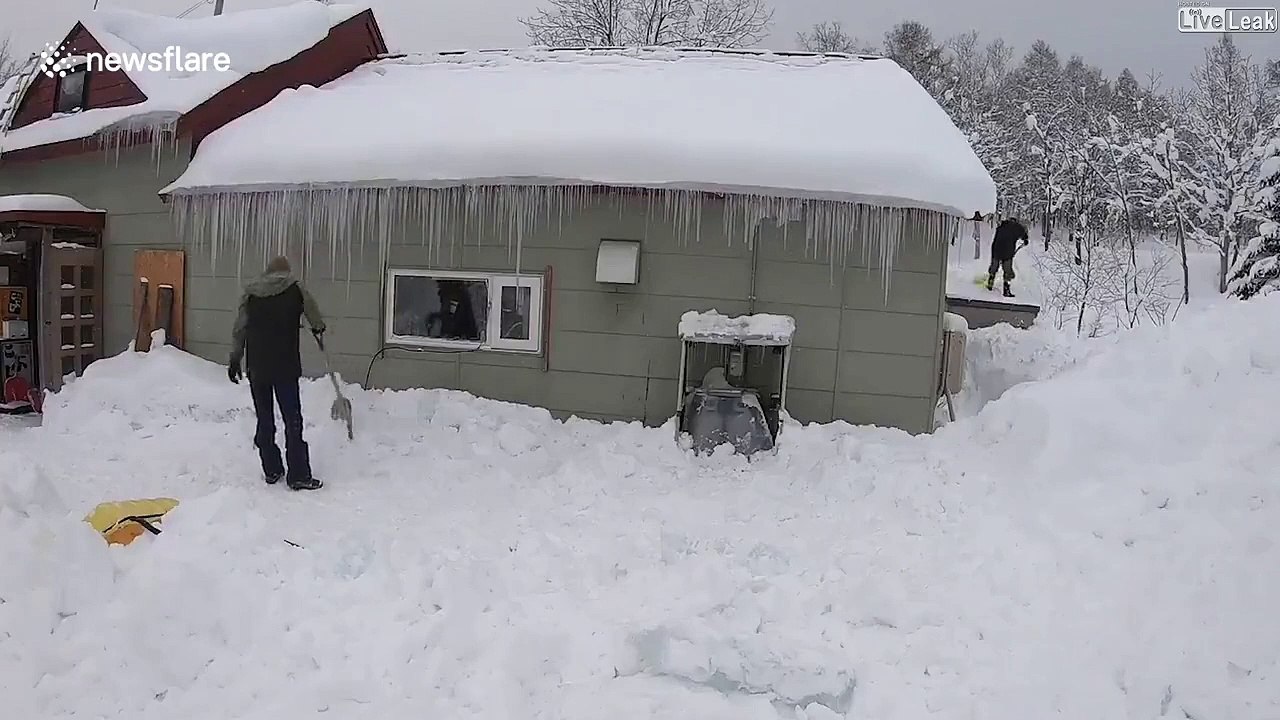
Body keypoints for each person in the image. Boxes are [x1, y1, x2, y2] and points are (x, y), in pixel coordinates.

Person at [227, 256, 326, 490]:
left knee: (265, 418)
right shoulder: (295, 288)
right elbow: (312, 311)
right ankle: (299, 474)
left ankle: (271, 469)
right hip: (285, 365)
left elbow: (240, 328)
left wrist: (235, 359)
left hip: (258, 367)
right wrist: (318, 327)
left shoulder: (251, 293)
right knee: (292, 419)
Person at [985, 216, 1030, 297]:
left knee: (994, 267)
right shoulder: (1017, 227)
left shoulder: (1001, 226)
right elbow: (1023, 235)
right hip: (1007, 252)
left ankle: (990, 284)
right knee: (1007, 271)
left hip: (996, 249)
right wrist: (1025, 239)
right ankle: (1006, 290)